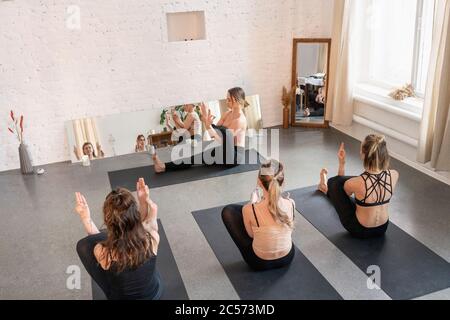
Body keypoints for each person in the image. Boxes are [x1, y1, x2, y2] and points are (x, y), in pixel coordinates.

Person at [74, 178, 163, 300]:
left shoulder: (102, 251)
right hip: (154, 294)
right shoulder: (152, 238)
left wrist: (85, 217)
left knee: (83, 246)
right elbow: (144, 226)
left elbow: (95, 237)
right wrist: (143, 202)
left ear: (107, 221)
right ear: (135, 216)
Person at [317, 134, 400, 239]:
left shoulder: (357, 182)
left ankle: (324, 186)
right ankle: (323, 187)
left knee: (333, 182)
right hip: (382, 228)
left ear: (363, 155)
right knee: (362, 184)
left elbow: (339, 192)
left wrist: (342, 163)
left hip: (360, 230)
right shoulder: (394, 174)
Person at [152, 87, 249, 173]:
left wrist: (208, 126)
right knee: (195, 157)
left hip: (234, 156)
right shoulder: (227, 113)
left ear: (236, 100)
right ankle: (163, 167)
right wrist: (207, 121)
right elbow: (216, 128)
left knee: (224, 137)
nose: (226, 101)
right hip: (223, 149)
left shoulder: (240, 120)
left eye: (229, 99)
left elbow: (223, 140)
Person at [221, 160, 295, 271]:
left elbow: (251, 235)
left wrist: (252, 204)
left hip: (259, 262)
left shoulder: (249, 209)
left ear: (259, 182)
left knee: (228, 211)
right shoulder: (291, 203)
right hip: (287, 257)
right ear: (282, 182)